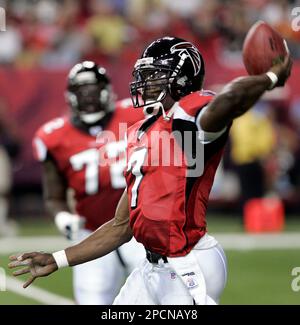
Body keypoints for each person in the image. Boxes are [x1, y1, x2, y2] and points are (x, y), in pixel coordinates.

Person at [9, 37, 292, 305]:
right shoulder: (142, 132)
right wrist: (58, 259)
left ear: (182, 79)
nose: (145, 83)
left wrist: (269, 78)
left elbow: (227, 102)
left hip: (187, 261)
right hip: (150, 266)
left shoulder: (190, 118)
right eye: (144, 75)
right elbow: (121, 226)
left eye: (155, 75)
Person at [31, 61, 145, 305]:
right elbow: (54, 196)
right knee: (94, 300)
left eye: (93, 89)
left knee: (158, 298)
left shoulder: (136, 114)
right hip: (91, 232)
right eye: (82, 90)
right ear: (71, 95)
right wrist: (63, 218)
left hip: (140, 228)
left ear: (106, 90)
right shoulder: (53, 136)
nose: (88, 96)